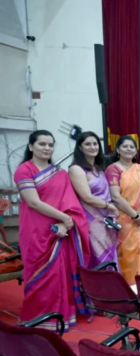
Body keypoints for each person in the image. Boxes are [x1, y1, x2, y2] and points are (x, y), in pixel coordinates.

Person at [14, 130, 90, 330]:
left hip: (59, 232)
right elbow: (34, 202)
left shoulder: (61, 174)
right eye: (42, 144)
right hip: (35, 231)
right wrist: (64, 218)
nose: (47, 148)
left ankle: (60, 316)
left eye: (50, 144)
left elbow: (70, 203)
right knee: (38, 274)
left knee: (58, 275)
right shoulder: (24, 170)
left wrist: (66, 222)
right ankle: (37, 318)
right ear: (31, 146)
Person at [106, 135, 140, 285]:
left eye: (132, 147)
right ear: (118, 150)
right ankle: (129, 288)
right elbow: (115, 197)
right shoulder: (113, 169)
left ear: (136, 151)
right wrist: (134, 215)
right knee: (127, 256)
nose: (128, 149)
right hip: (124, 220)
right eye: (125, 146)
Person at [69, 131, 120, 269]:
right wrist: (110, 207)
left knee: (111, 253)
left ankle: (113, 282)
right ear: (80, 147)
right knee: (99, 256)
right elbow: (87, 197)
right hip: (91, 219)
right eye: (88, 144)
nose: (92, 147)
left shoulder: (98, 168)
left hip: (106, 218)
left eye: (95, 144)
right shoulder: (76, 169)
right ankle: (100, 283)